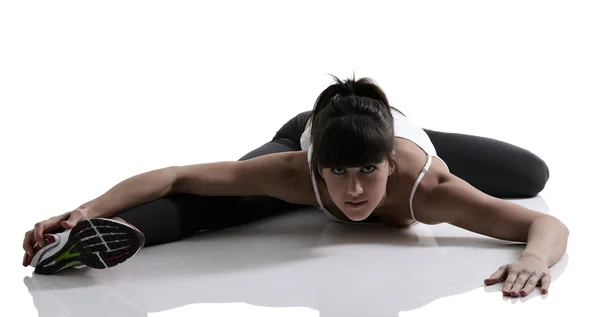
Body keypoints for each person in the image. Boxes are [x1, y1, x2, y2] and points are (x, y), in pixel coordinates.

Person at [21, 74, 568, 298]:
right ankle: (85, 239)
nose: (352, 191)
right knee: (220, 206)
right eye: (337, 175)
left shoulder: (430, 189)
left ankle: (392, 130)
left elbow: (543, 221)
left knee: (530, 176)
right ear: (317, 166)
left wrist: (537, 258)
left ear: (390, 165)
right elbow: (179, 175)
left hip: (386, 133)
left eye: (367, 174)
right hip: (303, 132)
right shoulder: (294, 170)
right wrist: (82, 207)